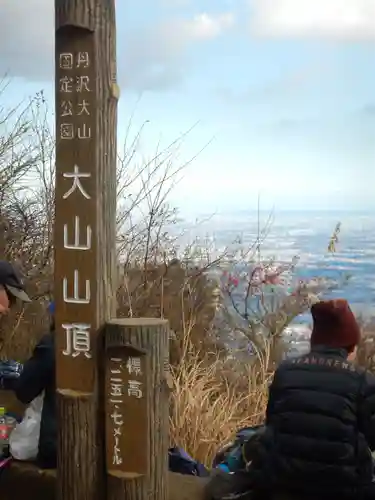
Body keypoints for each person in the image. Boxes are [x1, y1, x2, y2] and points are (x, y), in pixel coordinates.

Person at [250, 299, 375, 500]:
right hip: (343, 491)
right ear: (350, 344)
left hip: (281, 485)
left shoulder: (285, 371)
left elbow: (272, 423)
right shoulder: (362, 381)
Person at [14, 301, 56, 468]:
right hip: (102, 449)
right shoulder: (104, 341)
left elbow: (24, 391)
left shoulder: (52, 344)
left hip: (56, 448)